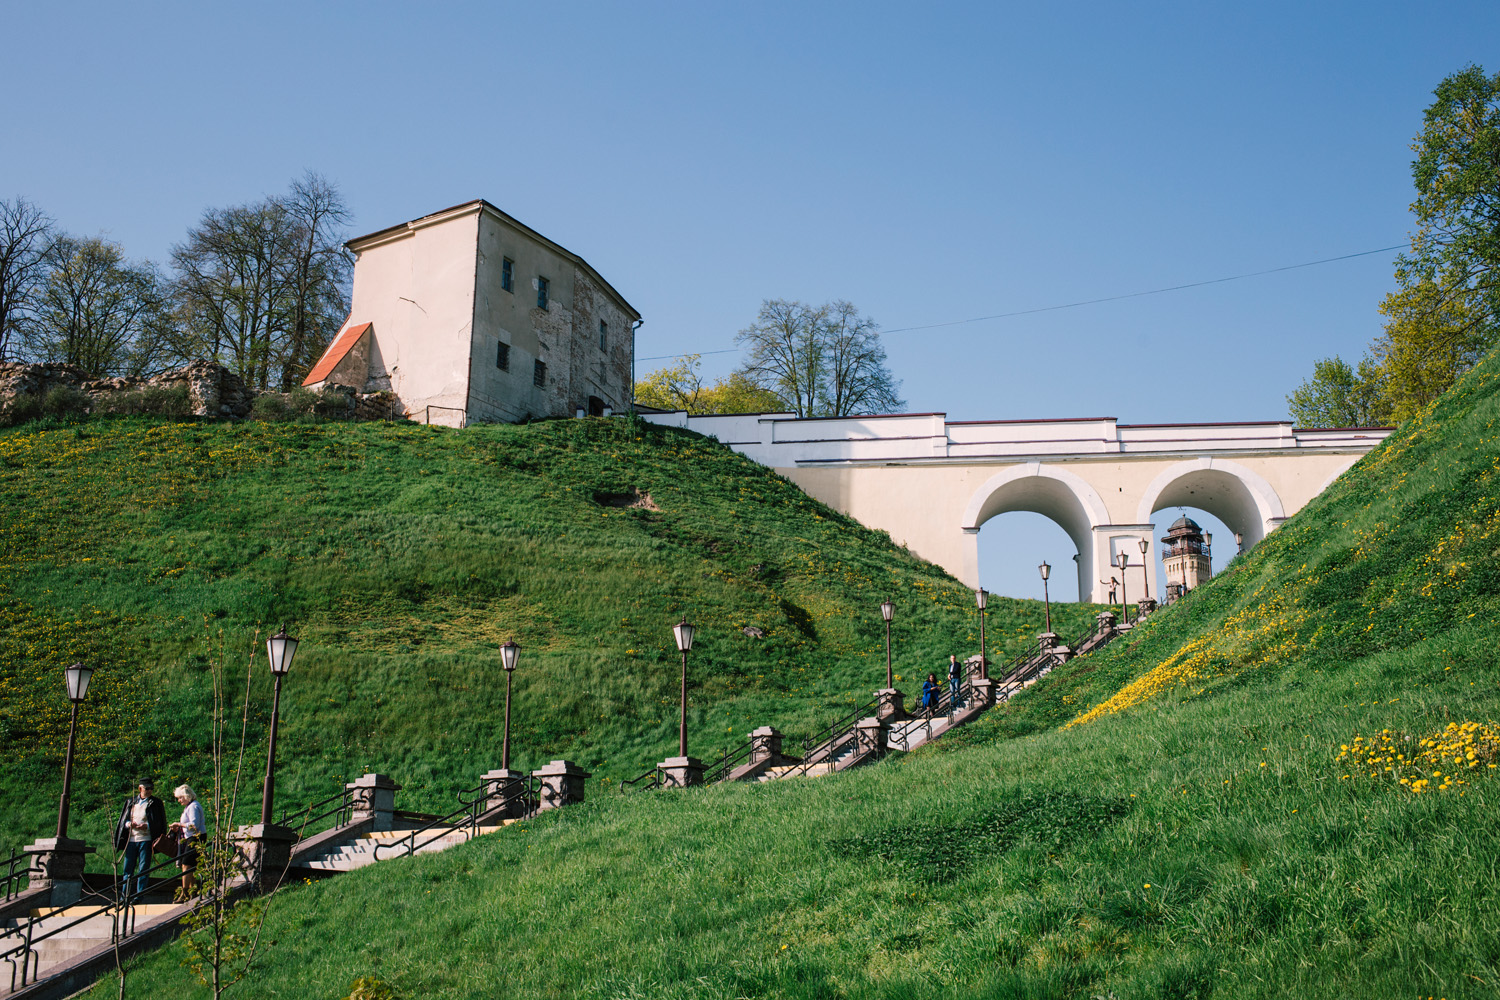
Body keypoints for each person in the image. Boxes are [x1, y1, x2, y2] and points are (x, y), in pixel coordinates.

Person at [114, 779, 166, 898]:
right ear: (140, 789)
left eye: (151, 788)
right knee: (128, 869)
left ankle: (139, 894)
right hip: (131, 839)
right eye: (147, 788)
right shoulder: (130, 802)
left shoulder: (155, 803)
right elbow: (124, 820)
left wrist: (147, 826)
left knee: (143, 868)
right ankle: (124, 895)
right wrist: (129, 825)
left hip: (146, 839)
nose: (149, 791)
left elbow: (159, 822)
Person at [169, 784, 205, 896]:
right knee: (191, 865)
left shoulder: (193, 806)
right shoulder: (189, 807)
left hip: (196, 837)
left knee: (186, 864)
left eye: (180, 798)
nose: (179, 801)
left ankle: (184, 893)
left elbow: (194, 825)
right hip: (191, 837)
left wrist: (178, 824)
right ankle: (192, 891)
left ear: (186, 796)